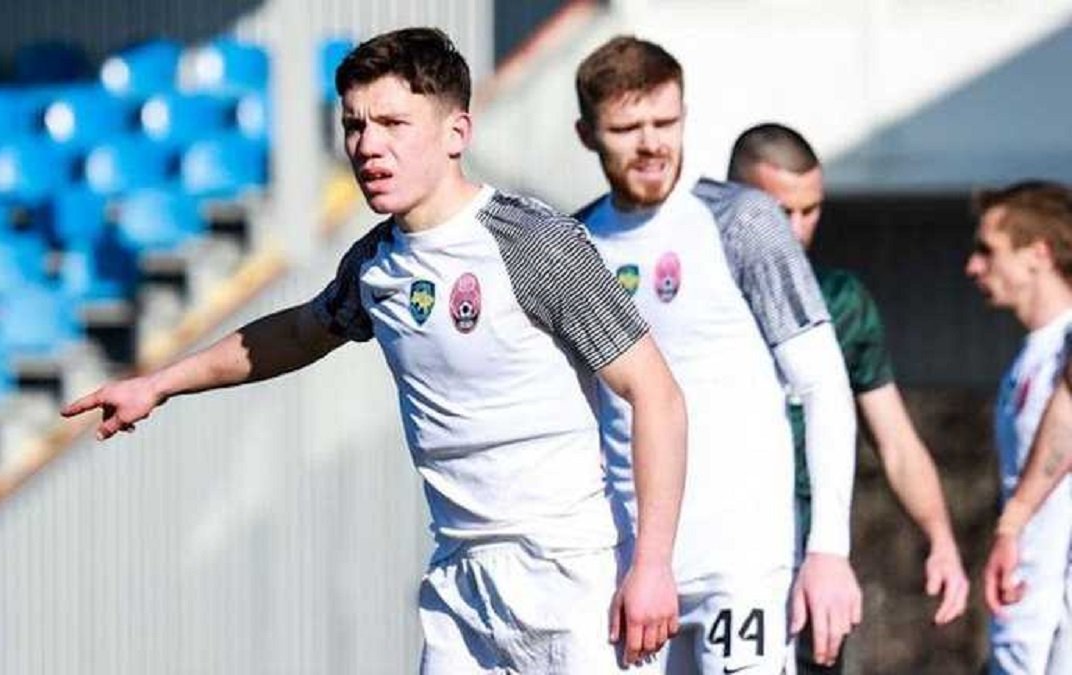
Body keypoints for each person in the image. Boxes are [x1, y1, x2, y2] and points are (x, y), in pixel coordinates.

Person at [62, 28, 688, 674]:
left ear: (456, 133)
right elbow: (297, 334)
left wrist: (652, 565)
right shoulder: (377, 263)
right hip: (460, 581)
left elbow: (656, 394)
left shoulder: (533, 243)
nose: (367, 145)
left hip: (571, 574)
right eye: (354, 126)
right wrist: (158, 383)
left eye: (392, 123)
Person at [572, 36, 860, 673]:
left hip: (742, 561)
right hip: (626, 571)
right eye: (626, 128)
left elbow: (823, 385)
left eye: (665, 122)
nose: (651, 143)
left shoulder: (741, 221)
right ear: (586, 135)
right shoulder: (571, 244)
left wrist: (828, 550)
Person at [728, 123, 969, 671]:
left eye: (810, 210)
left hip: (808, 551)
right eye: (779, 212)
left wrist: (941, 538)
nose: (795, 230)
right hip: (710, 543)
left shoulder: (839, 301)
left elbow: (896, 440)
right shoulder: (695, 291)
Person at [966, 180, 1072, 674]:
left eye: (989, 250)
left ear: (1038, 254)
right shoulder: (1034, 356)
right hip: (1027, 606)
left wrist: (1013, 525)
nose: (973, 266)